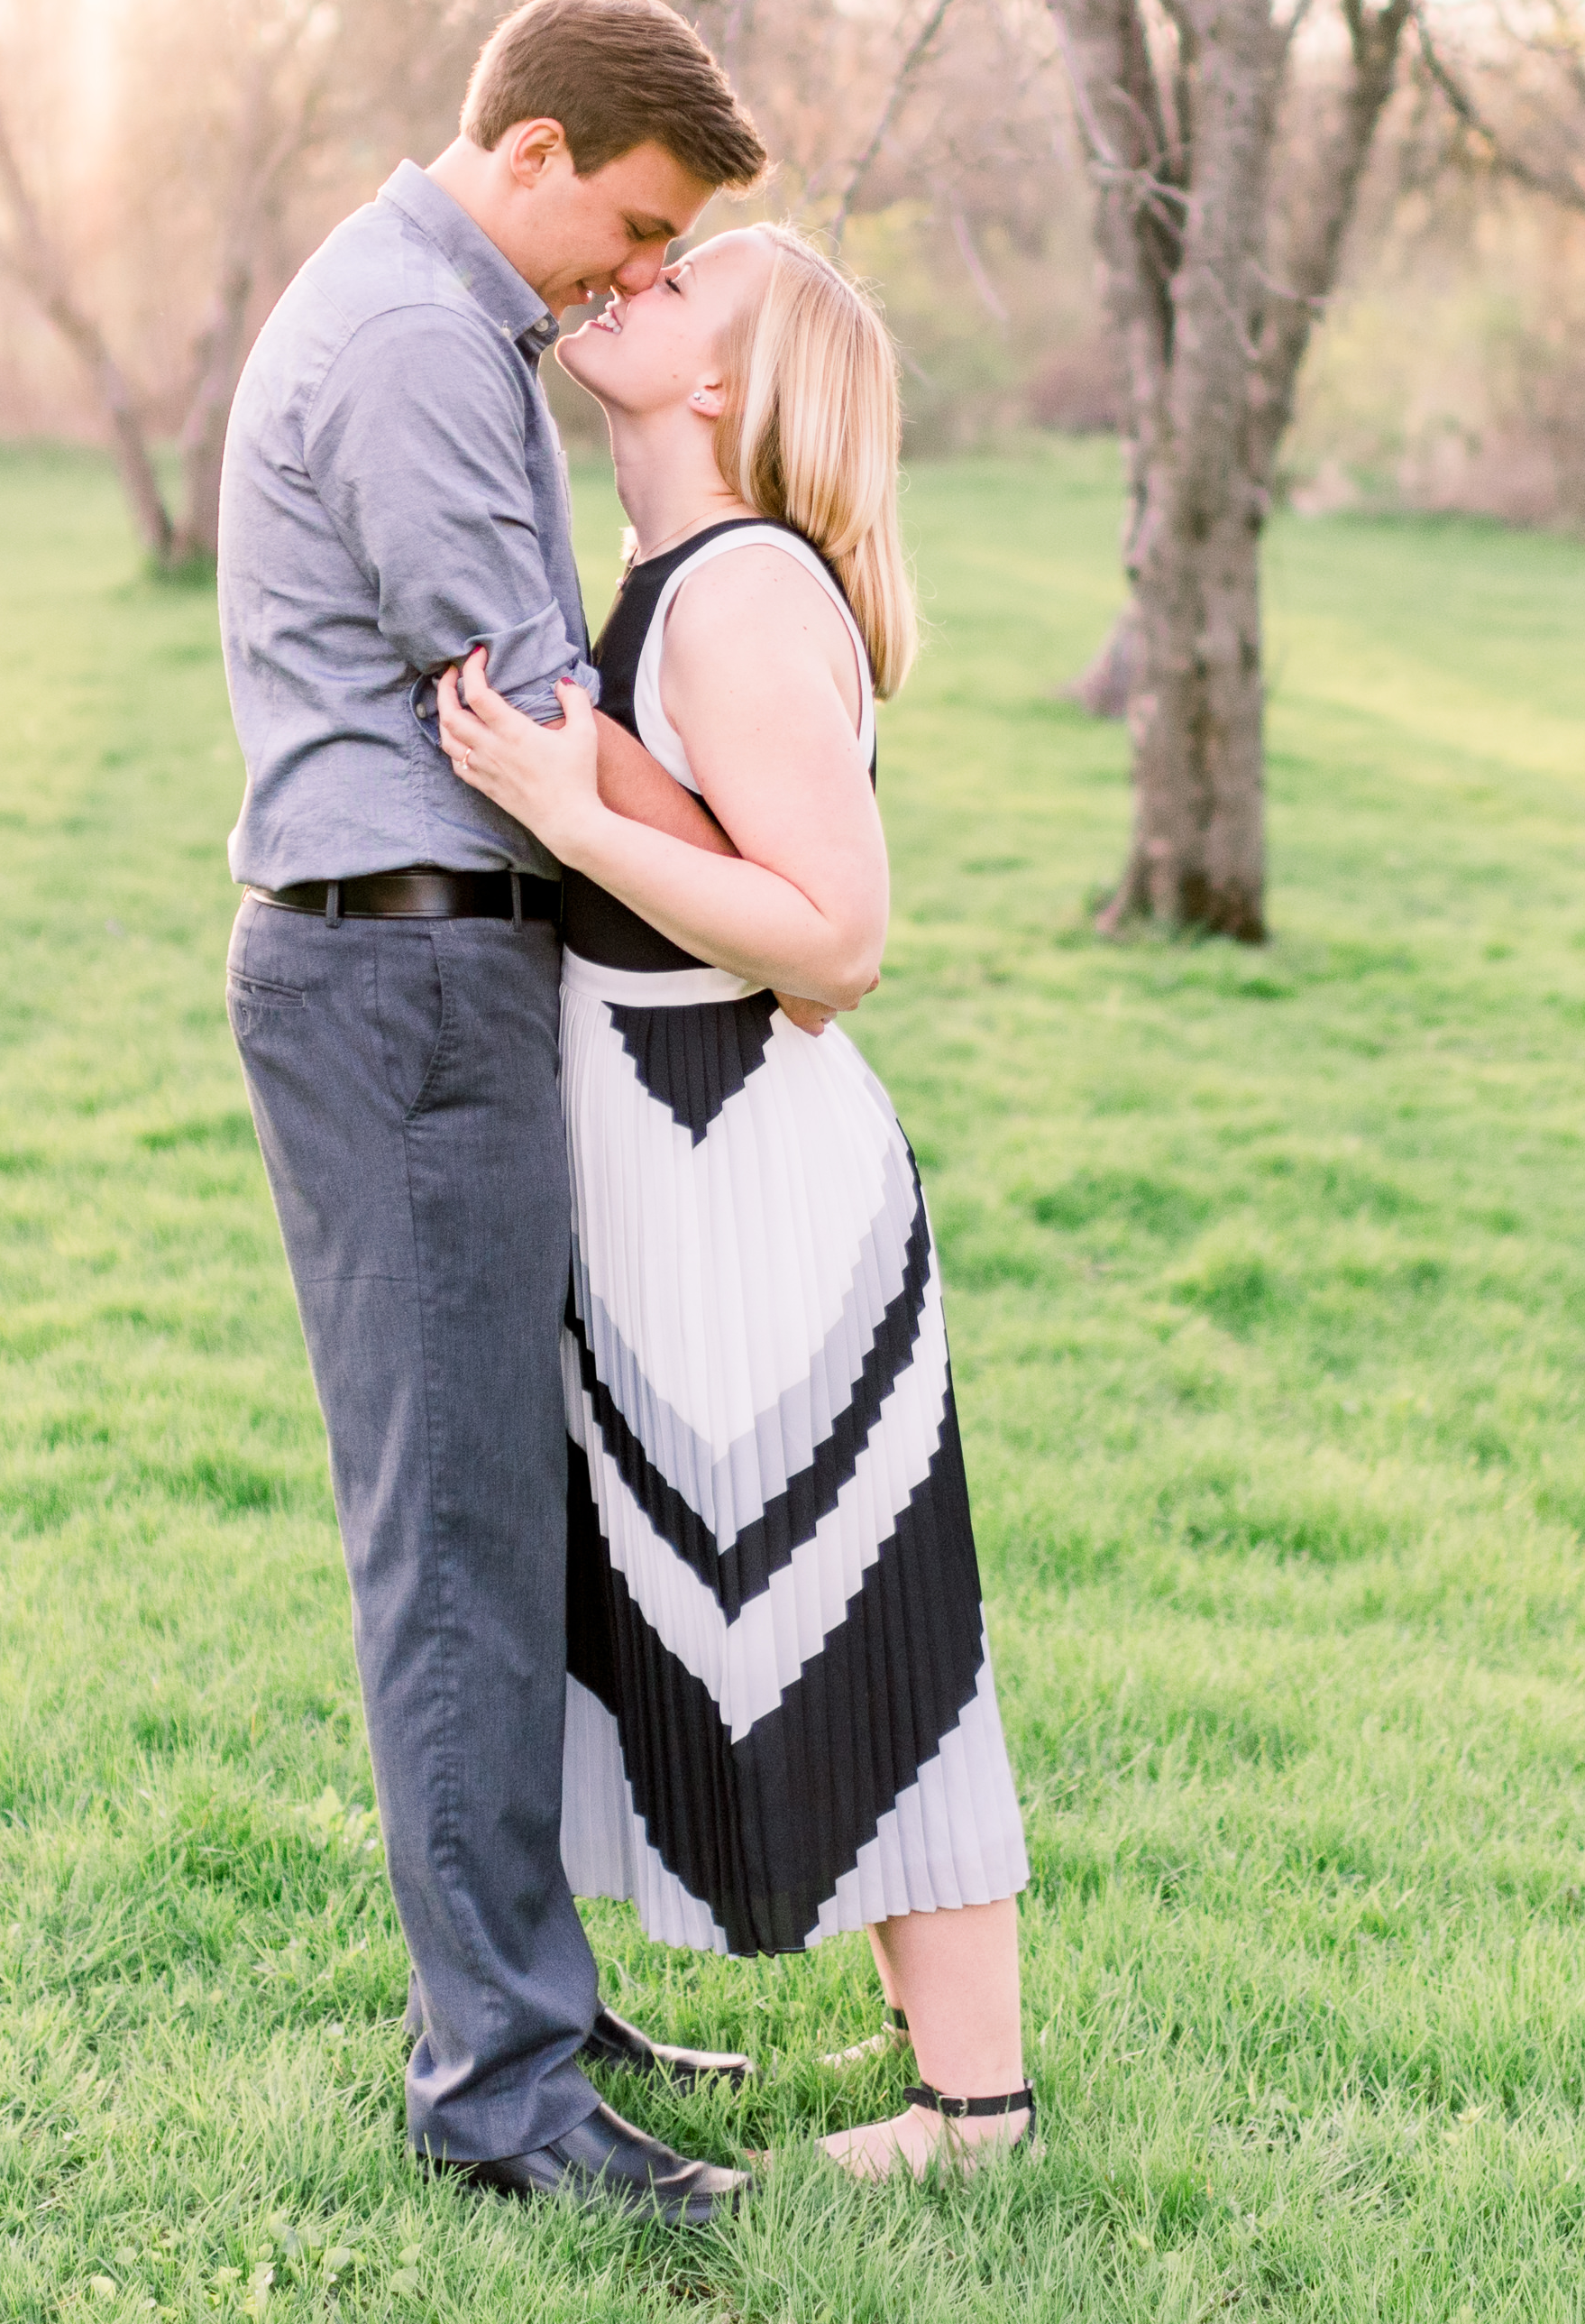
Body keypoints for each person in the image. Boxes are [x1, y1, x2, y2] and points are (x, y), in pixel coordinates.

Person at [212, 0, 774, 2224]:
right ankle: (501, 2093)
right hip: (402, 965)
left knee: (508, 1522)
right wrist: (764, 865)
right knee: (454, 1541)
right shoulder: (417, 342)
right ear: (527, 152)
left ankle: (531, 1995)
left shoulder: (451, 318)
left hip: (438, 958)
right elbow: (519, 701)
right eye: (625, 232)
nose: (625, 283)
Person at [438, 223, 1037, 2181]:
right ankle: (926, 2050)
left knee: (863, 1608)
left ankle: (976, 2108)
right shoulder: (669, 574)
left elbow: (833, 938)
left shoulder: (749, 590)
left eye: (679, 279)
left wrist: (568, 810)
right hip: (667, 1162)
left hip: (755, 1173)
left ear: (726, 381)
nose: (625, 281)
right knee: (751, 1609)